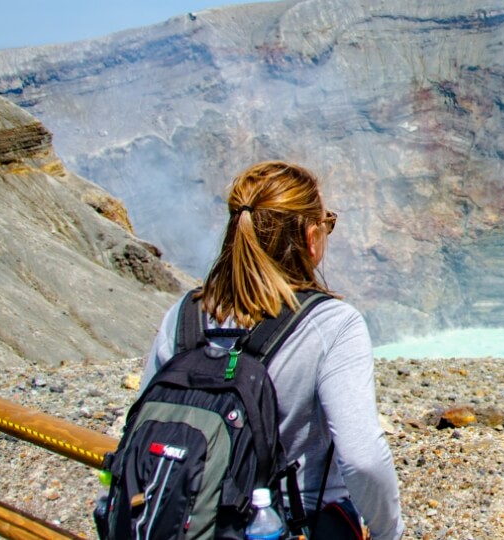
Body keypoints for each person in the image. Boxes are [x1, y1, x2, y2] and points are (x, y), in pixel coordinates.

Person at [140, 160, 404, 539]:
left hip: (181, 522)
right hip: (290, 524)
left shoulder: (183, 316)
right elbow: (363, 460)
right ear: (312, 237)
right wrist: (388, 533)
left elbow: (145, 426)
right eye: (327, 225)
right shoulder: (332, 324)